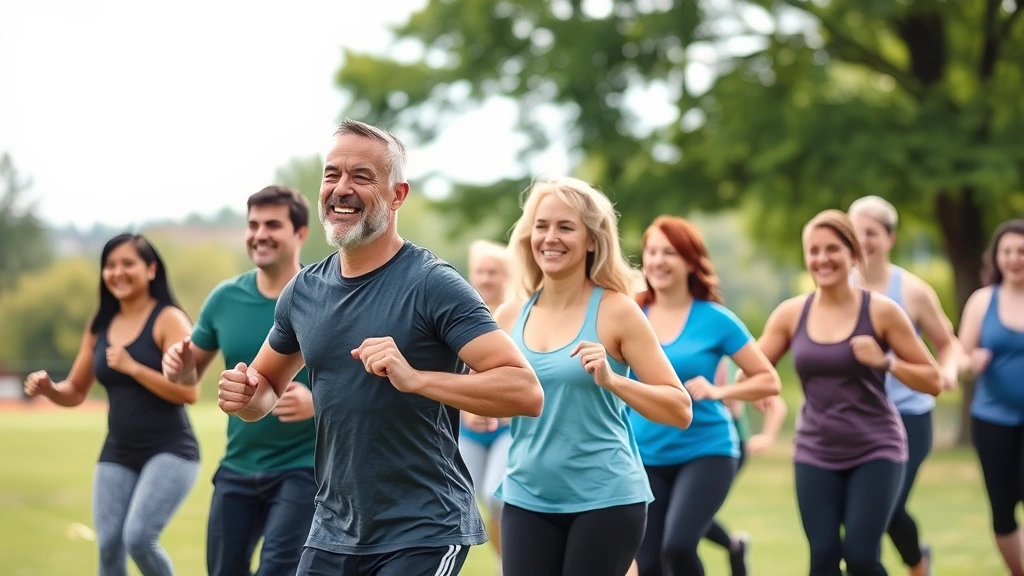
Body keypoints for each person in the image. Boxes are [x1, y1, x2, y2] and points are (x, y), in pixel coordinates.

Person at [214, 119, 544, 576]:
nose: (341, 189)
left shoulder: (433, 284)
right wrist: (246, 397)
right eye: (332, 175)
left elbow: (525, 391)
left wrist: (417, 379)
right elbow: (266, 388)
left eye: (362, 177)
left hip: (425, 528)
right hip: (333, 528)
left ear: (397, 195)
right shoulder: (304, 291)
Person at [493, 177, 694, 576]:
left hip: (606, 500)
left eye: (565, 227)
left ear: (591, 240)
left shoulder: (617, 311)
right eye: (541, 225)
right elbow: (489, 393)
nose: (550, 237)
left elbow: (680, 409)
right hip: (526, 496)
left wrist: (614, 381)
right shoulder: (508, 316)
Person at [747, 209, 942, 576]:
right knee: (822, 557)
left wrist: (885, 363)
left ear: (853, 254)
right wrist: (757, 385)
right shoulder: (791, 314)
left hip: (875, 447)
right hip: (815, 449)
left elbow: (932, 380)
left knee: (861, 558)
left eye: (832, 249)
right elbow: (754, 364)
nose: (822, 259)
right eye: (814, 250)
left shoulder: (882, 312)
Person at [161, 185, 316, 576]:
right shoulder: (224, 299)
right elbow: (188, 374)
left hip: (304, 470)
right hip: (238, 466)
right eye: (253, 224)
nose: (259, 233)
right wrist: (176, 365)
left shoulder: (323, 296)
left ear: (300, 233)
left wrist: (317, 403)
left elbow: (362, 379)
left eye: (272, 224)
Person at [23, 233, 199, 576]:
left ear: (150, 270)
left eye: (128, 264)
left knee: (138, 538)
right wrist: (48, 389)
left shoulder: (168, 319)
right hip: (118, 450)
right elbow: (74, 391)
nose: (117, 272)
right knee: (108, 545)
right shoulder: (100, 324)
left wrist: (133, 367)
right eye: (110, 265)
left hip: (170, 450)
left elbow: (188, 393)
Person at [627, 216, 780, 576]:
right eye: (651, 252)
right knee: (648, 563)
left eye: (670, 252)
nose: (658, 261)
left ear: (691, 261)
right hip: (644, 453)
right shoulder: (629, 313)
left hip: (706, 451)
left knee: (678, 548)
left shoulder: (716, 319)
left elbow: (768, 380)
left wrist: (720, 390)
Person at [848, 195, 961, 576]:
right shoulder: (836, 288)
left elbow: (947, 344)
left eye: (871, 232)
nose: (862, 241)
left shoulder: (912, 291)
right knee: (863, 511)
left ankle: (913, 562)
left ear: (890, 238)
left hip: (908, 416)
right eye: (855, 232)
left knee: (884, 508)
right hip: (856, 417)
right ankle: (917, 557)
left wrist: (945, 371)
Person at [957, 219, 1024, 576]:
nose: (1015, 259)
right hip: (992, 418)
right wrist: (972, 363)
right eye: (1007, 252)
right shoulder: (983, 302)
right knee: (1002, 507)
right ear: (996, 257)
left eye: (1021, 252)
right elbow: (961, 358)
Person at [700, 359, 788, 576]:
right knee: (671, 517)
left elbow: (772, 404)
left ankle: (734, 546)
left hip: (727, 446)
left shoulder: (724, 360)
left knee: (689, 514)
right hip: (682, 446)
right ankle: (735, 545)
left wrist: (767, 437)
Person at [458, 239, 513, 569]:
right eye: (480, 272)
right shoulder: (460, 315)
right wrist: (467, 411)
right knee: (466, 499)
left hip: (508, 429)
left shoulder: (513, 318)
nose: (486, 279)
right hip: (469, 430)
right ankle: (505, 559)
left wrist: (495, 411)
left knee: (497, 495)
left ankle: (510, 564)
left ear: (507, 276)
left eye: (493, 272)